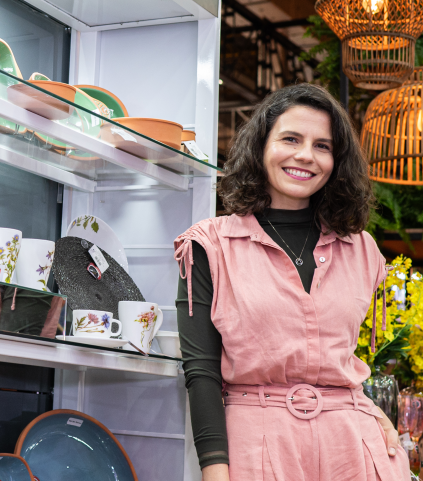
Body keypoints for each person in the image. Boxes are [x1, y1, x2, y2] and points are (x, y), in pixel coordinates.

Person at [175, 84, 409, 480]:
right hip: (258, 443)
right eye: (291, 139)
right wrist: (215, 470)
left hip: (354, 449)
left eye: (323, 146)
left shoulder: (362, 249)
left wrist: (373, 412)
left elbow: (342, 359)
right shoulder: (210, 245)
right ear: (261, 145)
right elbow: (202, 372)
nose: (305, 155)